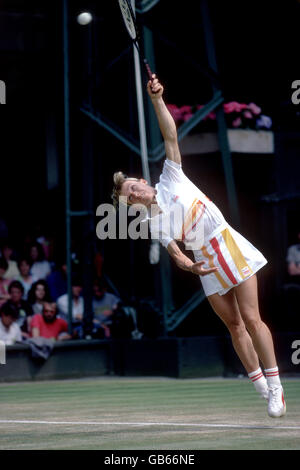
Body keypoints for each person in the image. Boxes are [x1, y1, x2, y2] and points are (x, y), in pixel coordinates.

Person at [111, 75, 286, 418]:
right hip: (205, 263)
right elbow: (176, 253)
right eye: (128, 198)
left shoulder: (170, 177)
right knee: (234, 325)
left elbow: (170, 135)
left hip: (228, 244)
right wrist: (191, 267)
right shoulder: (154, 222)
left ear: (142, 182)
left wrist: (157, 99)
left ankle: (277, 386)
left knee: (252, 318)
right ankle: (260, 387)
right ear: (132, 207)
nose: (133, 194)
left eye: (132, 187)